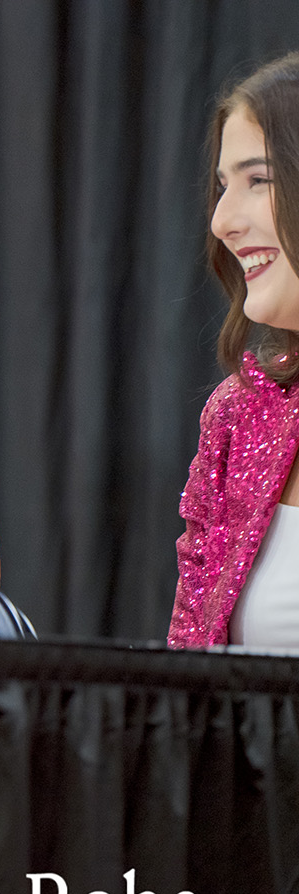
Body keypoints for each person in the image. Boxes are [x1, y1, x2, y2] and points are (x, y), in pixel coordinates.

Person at [171, 53, 299, 649]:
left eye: (258, 180)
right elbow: (188, 674)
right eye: (223, 187)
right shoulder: (236, 415)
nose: (221, 221)